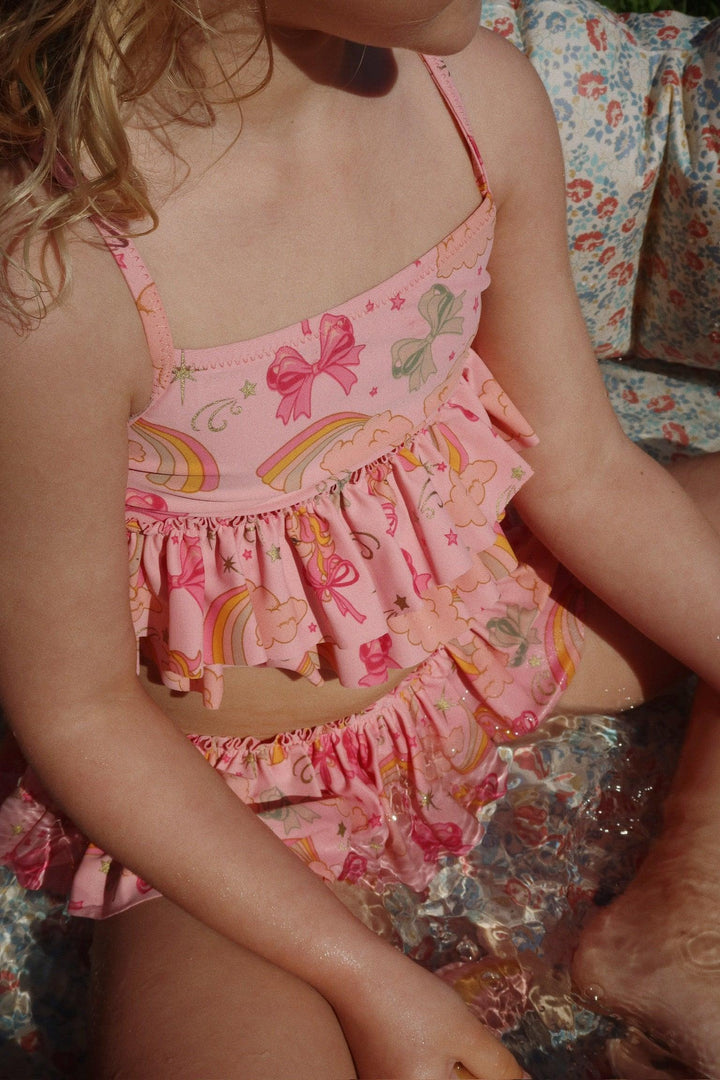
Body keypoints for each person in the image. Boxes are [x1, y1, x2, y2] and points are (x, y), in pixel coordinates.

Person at [0, 1, 718, 1076]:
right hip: (234, 801)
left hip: (483, 644)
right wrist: (370, 984)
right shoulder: (54, 275)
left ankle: (688, 901)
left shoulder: (476, 106)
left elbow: (585, 472)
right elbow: (80, 710)